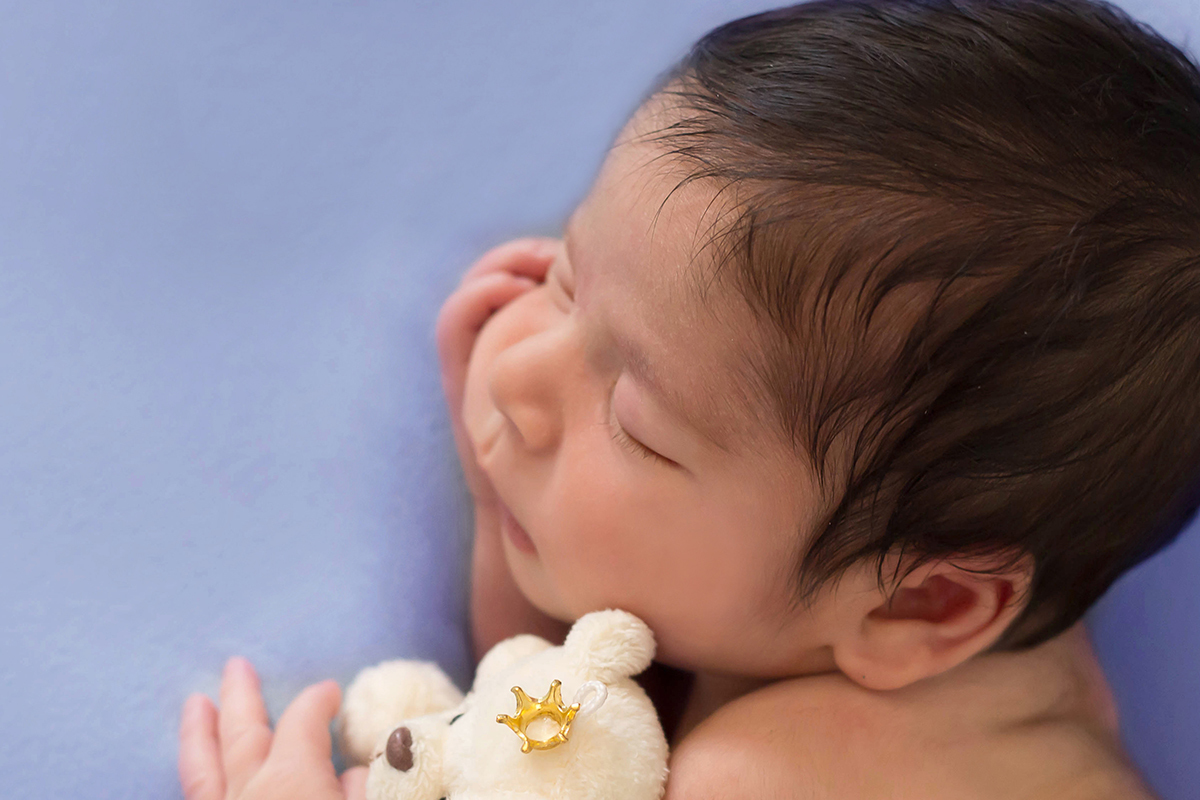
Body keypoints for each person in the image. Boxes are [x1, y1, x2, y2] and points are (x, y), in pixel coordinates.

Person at [178, 1, 1200, 797]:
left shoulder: (763, 775)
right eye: (566, 279)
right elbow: (559, 685)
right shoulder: (903, 616)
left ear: (921, 602)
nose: (521, 376)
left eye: (635, 423)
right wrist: (506, 497)